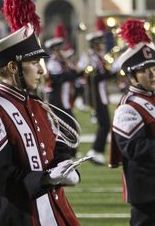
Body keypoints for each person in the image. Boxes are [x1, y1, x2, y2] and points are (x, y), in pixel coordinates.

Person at [0, 0, 81, 226]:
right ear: (13, 67)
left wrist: (65, 166)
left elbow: (56, 147)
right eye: (35, 62)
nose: (42, 70)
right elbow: (1, 177)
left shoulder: (35, 104)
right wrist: (45, 179)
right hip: (23, 217)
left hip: (56, 210)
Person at [109, 19, 155, 226]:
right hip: (147, 192)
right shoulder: (128, 107)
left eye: (154, 67)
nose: (153, 74)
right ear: (133, 76)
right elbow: (133, 148)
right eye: (146, 70)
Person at [44, 23, 84, 157]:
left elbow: (71, 73)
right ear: (54, 49)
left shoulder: (63, 62)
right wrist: (75, 72)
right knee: (66, 127)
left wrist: (78, 71)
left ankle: (71, 152)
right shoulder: (53, 63)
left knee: (70, 126)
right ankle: (65, 153)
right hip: (57, 100)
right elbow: (60, 78)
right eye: (59, 48)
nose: (62, 50)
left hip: (65, 99)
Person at [83, 18, 117, 165]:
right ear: (95, 43)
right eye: (101, 42)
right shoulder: (91, 58)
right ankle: (95, 151)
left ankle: (97, 152)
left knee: (105, 124)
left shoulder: (98, 58)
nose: (103, 44)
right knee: (105, 124)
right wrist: (111, 71)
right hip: (96, 96)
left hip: (102, 95)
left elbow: (103, 76)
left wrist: (114, 72)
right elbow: (93, 78)